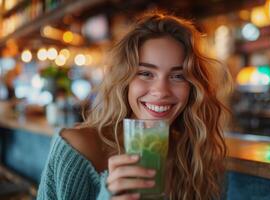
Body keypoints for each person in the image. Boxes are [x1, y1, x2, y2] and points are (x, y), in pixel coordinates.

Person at [37, 9, 232, 200]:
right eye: (146, 73)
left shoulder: (198, 157)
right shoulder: (76, 147)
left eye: (178, 76)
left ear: (193, 87)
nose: (162, 90)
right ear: (125, 80)